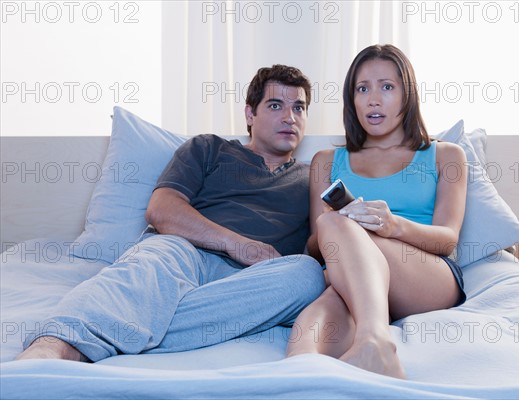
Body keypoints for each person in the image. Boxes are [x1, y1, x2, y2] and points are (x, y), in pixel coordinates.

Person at [16, 64, 326, 362]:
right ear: (250, 113)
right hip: (183, 255)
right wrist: (238, 245)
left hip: (251, 281)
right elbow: (162, 210)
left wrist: (347, 221)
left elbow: (317, 245)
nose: (289, 117)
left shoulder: (312, 176)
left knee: (306, 275)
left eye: (298, 108)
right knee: (153, 258)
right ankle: (56, 347)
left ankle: (123, 327)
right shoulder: (209, 148)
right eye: (275, 106)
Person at [285, 44, 468, 379]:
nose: (373, 99)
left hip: (423, 275)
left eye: (386, 87)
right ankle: (299, 380)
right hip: (351, 275)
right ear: (351, 99)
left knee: (336, 227)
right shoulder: (325, 162)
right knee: (304, 345)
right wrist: (344, 223)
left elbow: (447, 240)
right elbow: (314, 245)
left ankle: (376, 341)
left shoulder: (445, 155)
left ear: (406, 95)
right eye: (362, 88)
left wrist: (392, 225)